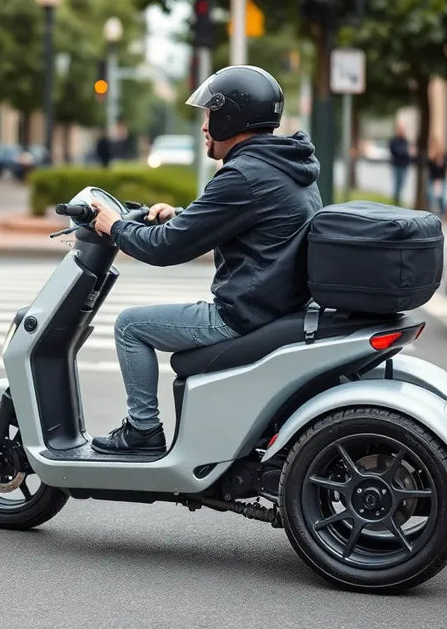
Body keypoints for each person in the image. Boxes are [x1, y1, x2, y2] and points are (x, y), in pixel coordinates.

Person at [87, 66, 322, 454]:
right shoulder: (286, 164)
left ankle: (142, 431)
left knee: (130, 326)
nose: (204, 126)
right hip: (279, 307)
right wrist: (178, 216)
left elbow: (165, 250)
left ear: (231, 116)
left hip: (244, 315)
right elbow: (246, 221)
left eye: (209, 115)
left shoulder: (243, 174)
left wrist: (115, 228)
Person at [389, 123, 411, 206]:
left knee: (402, 184)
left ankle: (399, 200)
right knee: (396, 184)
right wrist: (403, 152)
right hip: (396, 165)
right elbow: (395, 151)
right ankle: (396, 200)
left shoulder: (405, 141)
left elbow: (407, 153)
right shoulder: (394, 141)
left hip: (404, 165)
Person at [427, 136, 447, 215]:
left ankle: (443, 212)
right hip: (433, 178)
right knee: (430, 196)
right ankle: (431, 213)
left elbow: (445, 168)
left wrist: (441, 162)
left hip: (441, 179)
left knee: (441, 197)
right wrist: (432, 160)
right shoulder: (431, 155)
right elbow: (429, 167)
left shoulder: (444, 155)